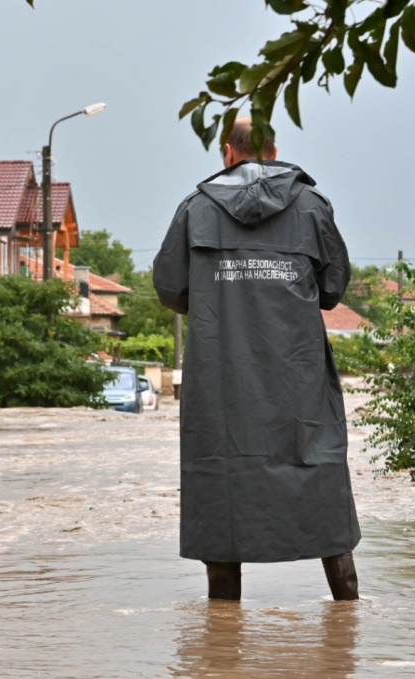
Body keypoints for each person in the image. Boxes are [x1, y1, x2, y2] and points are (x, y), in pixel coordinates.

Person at [152, 117, 360, 601]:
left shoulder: (196, 209)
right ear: (273, 150)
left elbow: (169, 289)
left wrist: (217, 297)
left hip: (221, 389)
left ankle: (222, 651)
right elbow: (332, 290)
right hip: (300, 389)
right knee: (321, 483)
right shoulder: (311, 205)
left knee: (221, 499)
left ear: (228, 152)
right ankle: (347, 618)